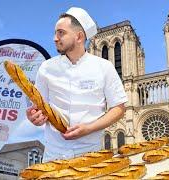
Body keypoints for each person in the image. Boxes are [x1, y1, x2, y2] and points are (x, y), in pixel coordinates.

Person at [26, 7, 127, 162]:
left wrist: (89, 128)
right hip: (53, 156)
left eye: (61, 33)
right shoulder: (46, 68)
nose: (54, 38)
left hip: (90, 156)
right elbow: (39, 107)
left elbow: (119, 108)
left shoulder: (104, 67)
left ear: (79, 37)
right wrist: (34, 116)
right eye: (55, 33)